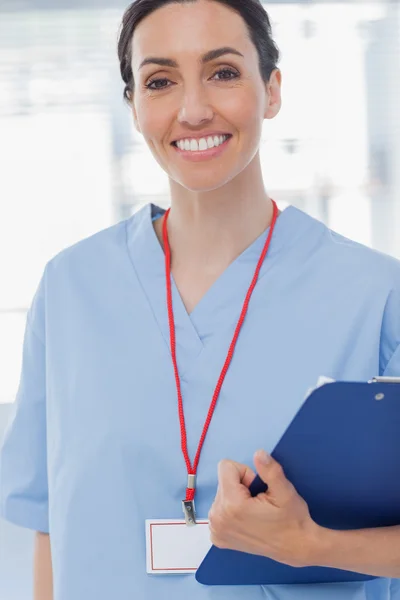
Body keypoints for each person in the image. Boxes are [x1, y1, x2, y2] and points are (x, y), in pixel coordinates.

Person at [0, 0, 400, 599]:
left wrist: (313, 545)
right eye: (160, 81)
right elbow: (51, 530)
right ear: (134, 106)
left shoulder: (374, 296)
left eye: (223, 72)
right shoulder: (69, 290)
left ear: (272, 90)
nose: (193, 109)